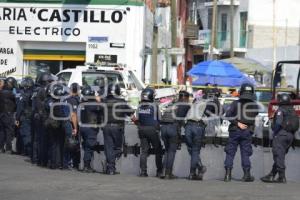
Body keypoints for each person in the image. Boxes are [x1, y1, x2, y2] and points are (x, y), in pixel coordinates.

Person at [224, 83, 259, 182]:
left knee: (230, 152)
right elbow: (255, 115)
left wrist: (237, 123)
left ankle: (227, 175)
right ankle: (246, 175)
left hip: (235, 130)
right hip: (247, 131)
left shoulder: (235, 103)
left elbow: (228, 115)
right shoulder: (254, 105)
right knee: (245, 153)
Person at [261, 93, 298, 183]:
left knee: (278, 155)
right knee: (280, 155)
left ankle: (282, 177)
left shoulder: (280, 110)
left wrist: (275, 132)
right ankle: (271, 175)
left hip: (281, 135)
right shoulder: (292, 110)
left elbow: (278, 123)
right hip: (290, 136)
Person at [102, 83, 134, 175]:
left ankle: (110, 168)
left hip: (106, 127)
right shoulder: (122, 101)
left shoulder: (103, 101)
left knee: (108, 148)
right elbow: (131, 114)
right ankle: (111, 166)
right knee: (118, 149)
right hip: (117, 127)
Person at [136, 88, 163, 177]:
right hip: (152, 130)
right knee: (158, 150)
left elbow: (137, 119)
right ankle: (159, 171)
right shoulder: (154, 106)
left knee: (144, 151)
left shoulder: (139, 106)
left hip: (142, 129)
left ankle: (143, 172)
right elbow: (160, 119)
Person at [44, 83, 69, 169]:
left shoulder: (50, 102)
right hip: (59, 125)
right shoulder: (61, 103)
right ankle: (59, 163)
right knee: (59, 144)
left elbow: (46, 108)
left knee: (53, 144)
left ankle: (53, 163)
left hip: (52, 125)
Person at [78, 85, 102, 173]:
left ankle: (87, 165)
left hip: (83, 127)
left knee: (86, 146)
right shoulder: (93, 104)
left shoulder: (82, 103)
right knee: (89, 147)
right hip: (90, 128)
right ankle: (86, 166)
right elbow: (102, 108)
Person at [15, 77, 34, 156]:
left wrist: (17, 118)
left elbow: (19, 108)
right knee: (28, 134)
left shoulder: (22, 94)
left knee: (25, 134)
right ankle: (24, 150)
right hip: (31, 116)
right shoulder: (33, 93)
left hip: (25, 116)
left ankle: (27, 152)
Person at [63, 83, 81, 170]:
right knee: (71, 144)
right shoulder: (73, 100)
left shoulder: (66, 99)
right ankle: (68, 163)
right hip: (70, 125)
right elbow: (73, 115)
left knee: (66, 144)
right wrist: (75, 128)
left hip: (64, 123)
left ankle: (65, 163)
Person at [0, 77, 17, 153]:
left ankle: (1, 147)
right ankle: (8, 148)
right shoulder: (10, 93)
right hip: (8, 113)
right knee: (9, 131)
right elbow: (16, 102)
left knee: (2, 131)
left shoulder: (1, 92)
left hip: (1, 113)